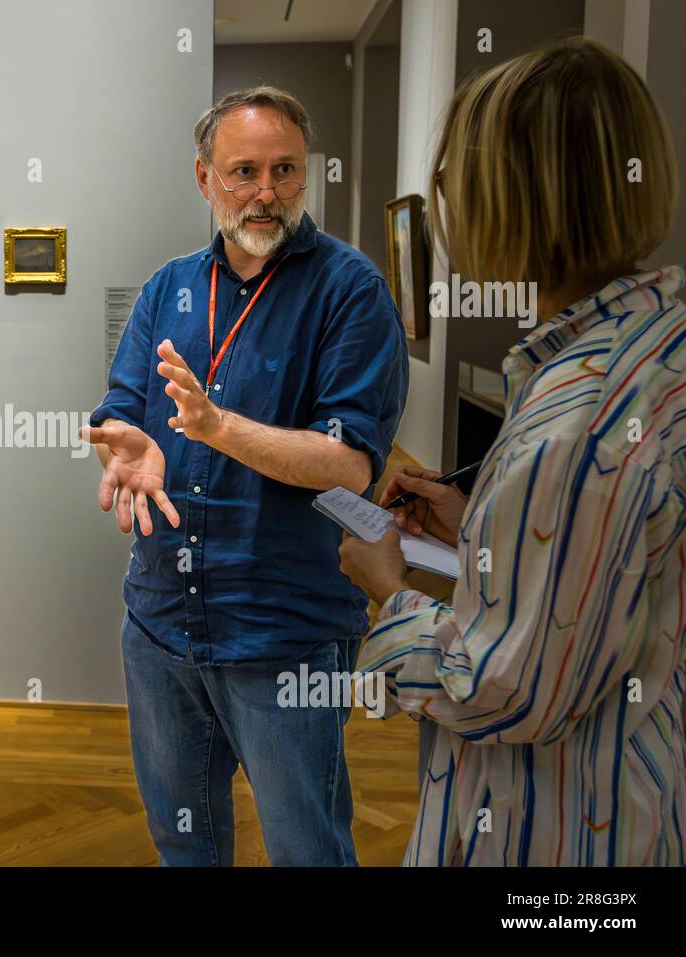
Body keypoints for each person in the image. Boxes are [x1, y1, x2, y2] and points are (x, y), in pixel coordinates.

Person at [339, 37, 685, 866]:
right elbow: (609, 577)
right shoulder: (654, 348)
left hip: (553, 837)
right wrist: (482, 530)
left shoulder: (580, 419)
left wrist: (388, 590)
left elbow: (504, 688)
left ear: (513, 197)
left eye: (458, 183)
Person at [82, 87, 409, 865]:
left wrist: (217, 429)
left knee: (308, 849)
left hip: (284, 633)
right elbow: (119, 409)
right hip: (162, 624)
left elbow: (350, 462)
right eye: (244, 172)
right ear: (205, 179)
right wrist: (120, 445)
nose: (266, 192)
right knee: (182, 843)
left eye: (285, 171)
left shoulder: (350, 290)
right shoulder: (168, 288)